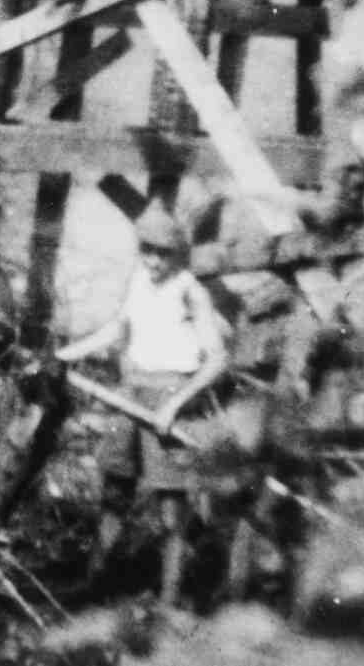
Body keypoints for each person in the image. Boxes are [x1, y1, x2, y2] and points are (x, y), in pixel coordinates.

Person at [55, 207, 233, 588]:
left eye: (162, 253)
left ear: (178, 254)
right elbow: (116, 329)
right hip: (131, 393)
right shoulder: (137, 281)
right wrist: (69, 354)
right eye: (147, 250)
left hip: (171, 397)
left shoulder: (191, 292)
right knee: (115, 491)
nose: (153, 260)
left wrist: (175, 404)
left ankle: (170, 600)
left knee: (172, 510)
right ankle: (94, 581)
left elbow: (218, 359)